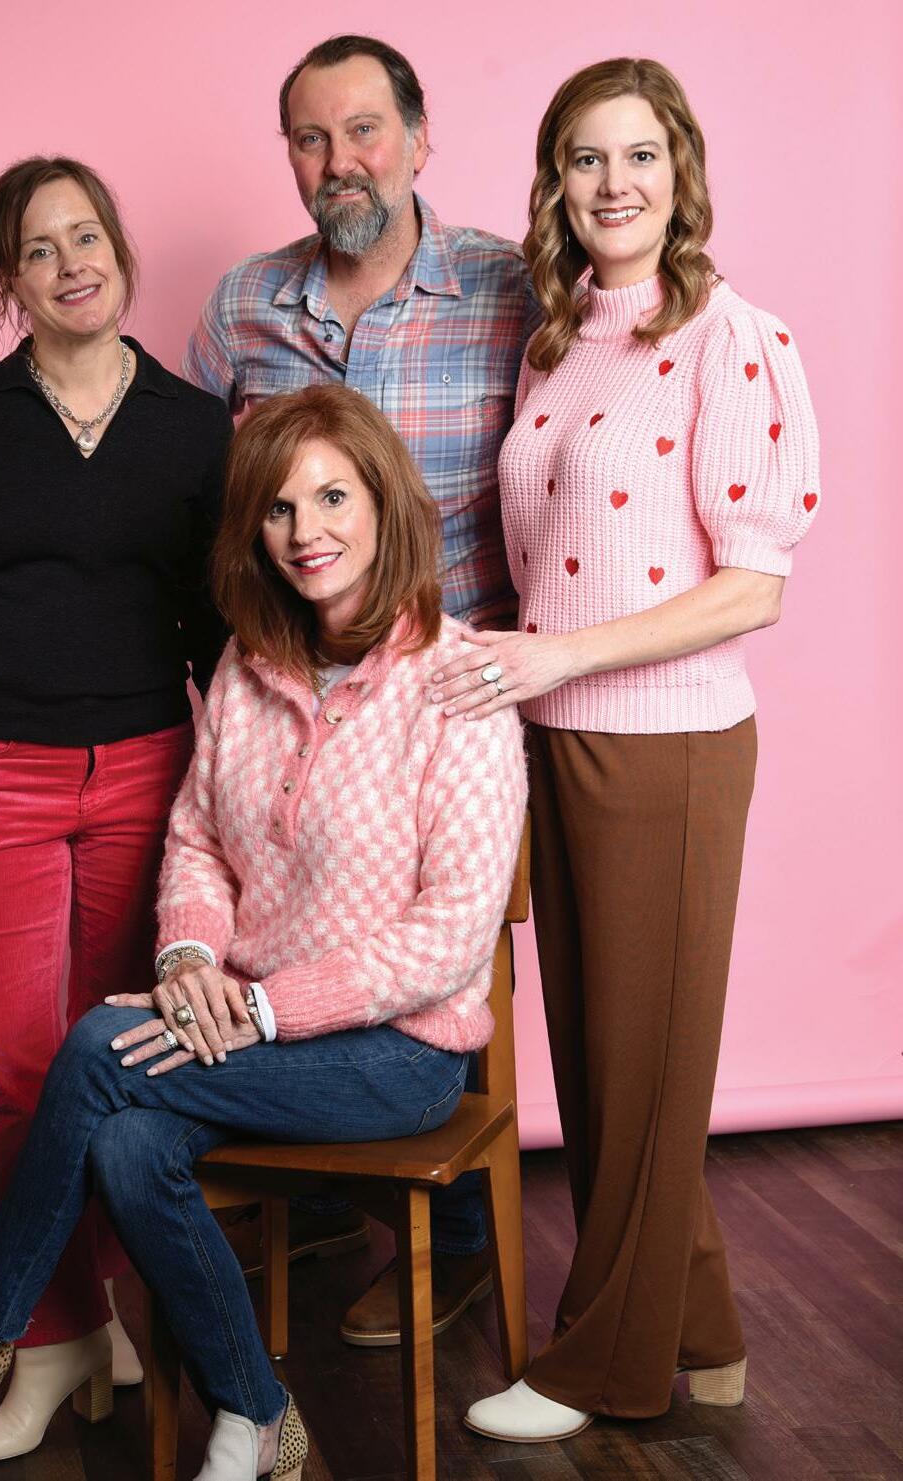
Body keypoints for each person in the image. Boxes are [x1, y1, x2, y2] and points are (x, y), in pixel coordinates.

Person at [0, 384, 528, 1479]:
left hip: (397, 1054)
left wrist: (259, 1009)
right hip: (253, 1031)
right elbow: (195, 842)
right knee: (129, 1144)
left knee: (95, 1043)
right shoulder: (246, 669)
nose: (307, 530)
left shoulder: (455, 685)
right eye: (279, 508)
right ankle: (257, 1412)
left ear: (385, 504)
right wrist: (186, 960)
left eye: (333, 497)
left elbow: (450, 940)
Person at [433, 59, 820, 1441]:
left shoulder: (732, 335)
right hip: (553, 742)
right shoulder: (554, 341)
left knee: (647, 1073)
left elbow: (751, 588)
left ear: (679, 173)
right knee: (603, 1072)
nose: (613, 184)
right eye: (585, 158)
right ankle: (702, 1339)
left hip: (668, 748)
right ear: (555, 182)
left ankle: (602, 1366)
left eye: (639, 155)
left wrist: (561, 656)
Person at [184, 30, 539, 1350]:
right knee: (267, 906)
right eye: (311, 139)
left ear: (419, 138)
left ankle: (452, 1242)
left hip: (452, 705)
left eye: (365, 130)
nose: (340, 161)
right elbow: (194, 495)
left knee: (442, 956)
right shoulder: (242, 306)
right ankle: (315, 1190)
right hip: (295, 692)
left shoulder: (506, 289)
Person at [0, 155, 232, 1462]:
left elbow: (211, 627)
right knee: (9, 1061)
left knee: (110, 1062)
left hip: (147, 767)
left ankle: (94, 1321)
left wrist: (234, 795)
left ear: (118, 250)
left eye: (87, 236)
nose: (71, 263)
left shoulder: (194, 426)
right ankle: (54, 1337)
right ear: (9, 279)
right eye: (39, 248)